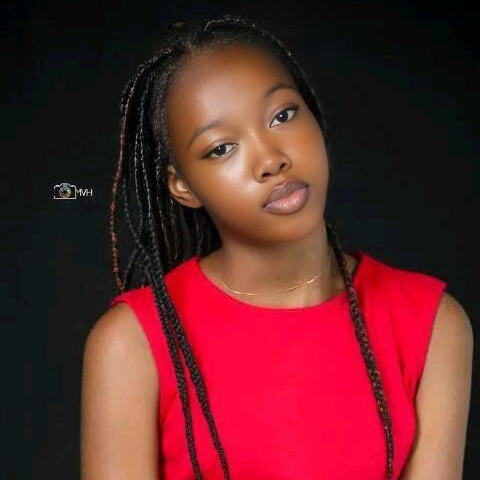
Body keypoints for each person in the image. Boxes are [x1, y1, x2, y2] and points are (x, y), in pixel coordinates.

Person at [80, 14, 473, 480]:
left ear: (314, 114)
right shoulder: (132, 344)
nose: (271, 160)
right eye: (221, 148)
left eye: (283, 116)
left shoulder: (432, 324)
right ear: (183, 186)